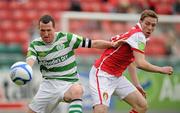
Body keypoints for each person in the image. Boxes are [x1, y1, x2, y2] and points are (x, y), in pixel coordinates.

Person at [25, 14, 121, 113]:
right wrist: (26, 70)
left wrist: (112, 44)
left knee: (77, 90)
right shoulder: (35, 44)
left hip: (69, 84)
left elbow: (93, 43)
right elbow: (30, 60)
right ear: (38, 29)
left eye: (49, 30)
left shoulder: (67, 38)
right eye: (42, 30)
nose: (46, 34)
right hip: (48, 87)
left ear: (54, 28)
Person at [89, 9, 173, 113]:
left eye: (153, 25)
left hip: (116, 77)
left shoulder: (139, 35)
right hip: (102, 74)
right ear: (140, 21)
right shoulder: (138, 36)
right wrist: (161, 69)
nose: (150, 28)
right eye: (147, 24)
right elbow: (140, 63)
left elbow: (132, 62)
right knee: (101, 111)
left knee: (141, 106)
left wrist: (136, 84)